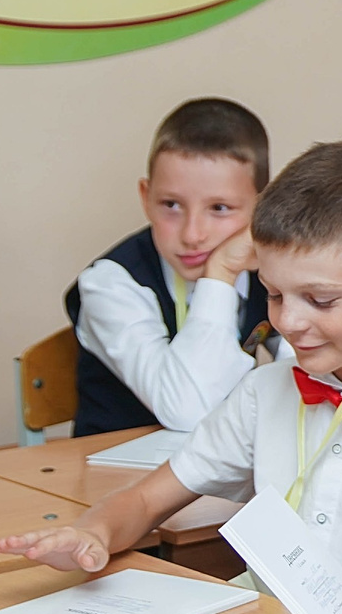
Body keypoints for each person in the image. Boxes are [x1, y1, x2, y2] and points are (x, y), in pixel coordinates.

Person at [0, 144, 342, 614]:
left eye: (320, 300)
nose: (289, 322)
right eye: (274, 294)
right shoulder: (264, 393)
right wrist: (92, 533)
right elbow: (148, 499)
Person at [66, 98, 274, 435]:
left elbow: (314, 375)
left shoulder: (269, 271)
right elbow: (185, 411)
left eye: (219, 208)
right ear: (146, 197)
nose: (193, 234)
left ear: (263, 205)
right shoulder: (110, 284)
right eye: (171, 205)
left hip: (220, 472)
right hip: (114, 474)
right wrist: (219, 272)